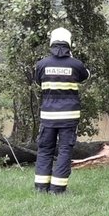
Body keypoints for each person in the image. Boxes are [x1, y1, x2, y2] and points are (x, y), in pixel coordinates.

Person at [33, 27, 90, 194]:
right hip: (69, 116)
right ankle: (58, 189)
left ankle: (41, 187)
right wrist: (71, 60)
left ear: (51, 42)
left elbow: (38, 83)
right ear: (69, 43)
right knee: (65, 150)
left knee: (45, 149)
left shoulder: (42, 64)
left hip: (48, 116)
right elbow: (85, 75)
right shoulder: (76, 64)